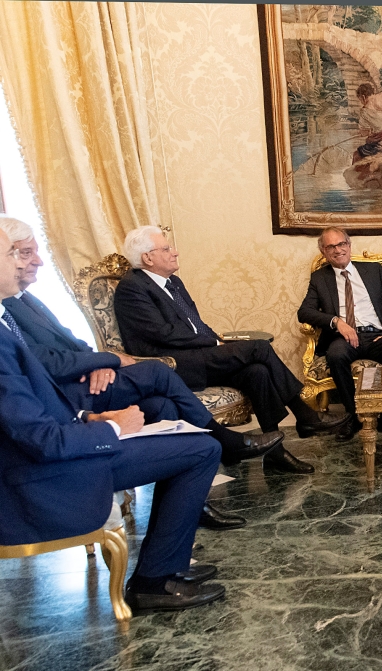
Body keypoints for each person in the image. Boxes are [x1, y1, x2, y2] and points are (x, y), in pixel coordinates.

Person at [0, 228, 225, 613]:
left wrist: (90, 415)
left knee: (184, 432)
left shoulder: (6, 320)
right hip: (44, 476)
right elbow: (39, 440)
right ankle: (154, 580)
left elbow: (29, 409)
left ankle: (165, 568)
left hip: (67, 440)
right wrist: (113, 427)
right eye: (13, 254)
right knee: (203, 448)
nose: (25, 262)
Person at [0, 217, 277, 530]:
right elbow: (41, 363)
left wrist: (99, 362)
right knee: (158, 374)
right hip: (67, 395)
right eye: (22, 253)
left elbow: (74, 343)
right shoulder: (8, 310)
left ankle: (190, 506)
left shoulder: (26, 299)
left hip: (87, 379)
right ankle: (225, 440)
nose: (36, 260)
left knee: (165, 407)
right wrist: (109, 359)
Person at [115, 226, 339, 475]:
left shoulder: (172, 283)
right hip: (173, 365)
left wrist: (214, 340)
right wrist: (213, 344)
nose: (175, 253)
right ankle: (306, 416)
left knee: (257, 372)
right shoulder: (132, 288)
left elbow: (195, 323)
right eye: (166, 249)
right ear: (148, 257)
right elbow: (162, 334)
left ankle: (275, 454)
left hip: (197, 355)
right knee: (259, 348)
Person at [297, 226, 382, 441]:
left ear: (349, 246)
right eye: (331, 246)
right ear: (324, 252)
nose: (337, 250)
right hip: (344, 338)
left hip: (377, 335)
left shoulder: (372, 270)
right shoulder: (320, 278)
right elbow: (304, 312)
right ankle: (354, 415)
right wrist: (336, 322)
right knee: (336, 355)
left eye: (341, 244)